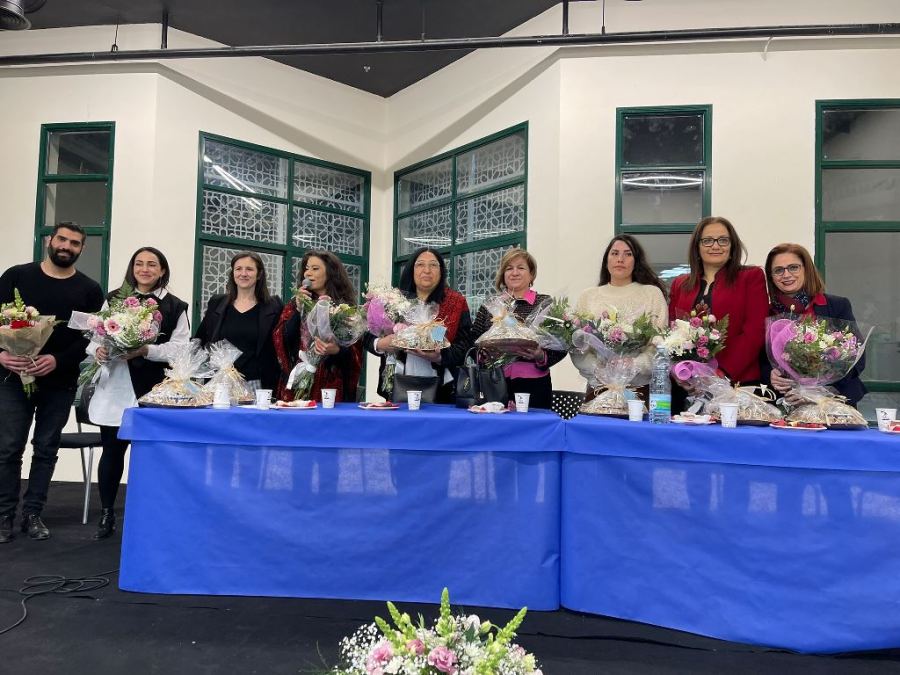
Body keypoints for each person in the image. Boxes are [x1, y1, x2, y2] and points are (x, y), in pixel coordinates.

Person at [0, 222, 104, 543]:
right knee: (8, 448)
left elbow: (86, 339)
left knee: (46, 449)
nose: (66, 246)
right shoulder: (16, 276)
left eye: (74, 243)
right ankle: (4, 515)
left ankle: (33, 514)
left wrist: (57, 360)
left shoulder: (89, 290)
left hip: (59, 382)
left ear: (82, 249)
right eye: (62, 239)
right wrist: (1, 355)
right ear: (50, 240)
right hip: (12, 377)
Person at [88, 247, 189, 539]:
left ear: (162, 270)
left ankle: (151, 514)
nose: (145, 269)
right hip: (116, 386)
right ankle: (107, 513)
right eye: (139, 264)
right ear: (132, 268)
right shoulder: (113, 299)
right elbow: (94, 338)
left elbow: (180, 349)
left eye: (152, 264)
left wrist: (146, 350)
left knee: (152, 455)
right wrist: (99, 351)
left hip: (154, 390)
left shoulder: (174, 306)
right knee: (112, 451)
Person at [668, 216, 769, 412]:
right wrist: (679, 371)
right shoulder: (680, 284)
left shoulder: (751, 277)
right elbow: (672, 333)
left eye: (723, 240)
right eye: (707, 240)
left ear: (732, 246)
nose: (715, 246)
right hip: (687, 385)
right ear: (697, 247)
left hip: (736, 382)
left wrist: (721, 373)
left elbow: (754, 331)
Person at [762, 242, 866, 406]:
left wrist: (822, 389)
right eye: (778, 270)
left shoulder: (837, 306)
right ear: (771, 277)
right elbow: (760, 359)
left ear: (806, 269)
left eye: (793, 267)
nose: (786, 274)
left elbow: (857, 358)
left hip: (833, 402)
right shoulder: (767, 313)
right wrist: (770, 374)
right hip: (783, 401)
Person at [366, 247, 473, 404]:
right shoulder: (393, 299)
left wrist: (440, 356)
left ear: (441, 271)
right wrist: (381, 344)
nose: (427, 270)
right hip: (397, 383)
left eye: (433, 265)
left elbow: (465, 345)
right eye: (420, 264)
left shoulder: (456, 302)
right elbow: (368, 336)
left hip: (441, 389)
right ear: (411, 269)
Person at [470, 249, 566, 409]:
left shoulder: (545, 303)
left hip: (534, 385)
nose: (514, 273)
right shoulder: (491, 305)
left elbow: (560, 344)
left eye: (521, 268)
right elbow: (473, 341)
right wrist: (486, 355)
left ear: (531, 274)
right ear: (503, 274)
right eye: (509, 268)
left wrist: (540, 355)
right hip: (495, 381)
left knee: (533, 424)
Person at [273, 250, 362, 403]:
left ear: (330, 273)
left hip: (331, 385)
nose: (308, 273)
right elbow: (281, 340)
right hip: (298, 379)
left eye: (315, 269)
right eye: (306, 268)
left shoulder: (344, 308)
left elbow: (355, 352)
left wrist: (337, 350)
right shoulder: (295, 304)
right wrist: (298, 310)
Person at [195, 251, 282, 391]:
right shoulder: (217, 303)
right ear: (233, 273)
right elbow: (200, 339)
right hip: (219, 383)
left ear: (259, 274)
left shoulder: (273, 306)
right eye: (238, 269)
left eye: (249, 269)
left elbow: (283, 342)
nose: (243, 273)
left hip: (256, 384)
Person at [575, 234, 669, 327]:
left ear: (636, 262)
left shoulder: (652, 294)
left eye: (628, 254)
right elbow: (577, 333)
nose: (620, 259)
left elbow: (660, 333)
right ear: (606, 261)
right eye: (615, 253)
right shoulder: (587, 297)